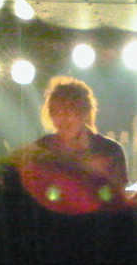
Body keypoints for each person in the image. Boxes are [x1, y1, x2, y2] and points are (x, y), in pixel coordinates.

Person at [13, 75, 129, 214]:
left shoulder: (110, 150)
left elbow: (118, 201)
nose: (62, 118)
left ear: (85, 113)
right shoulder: (41, 150)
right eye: (56, 112)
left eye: (70, 110)